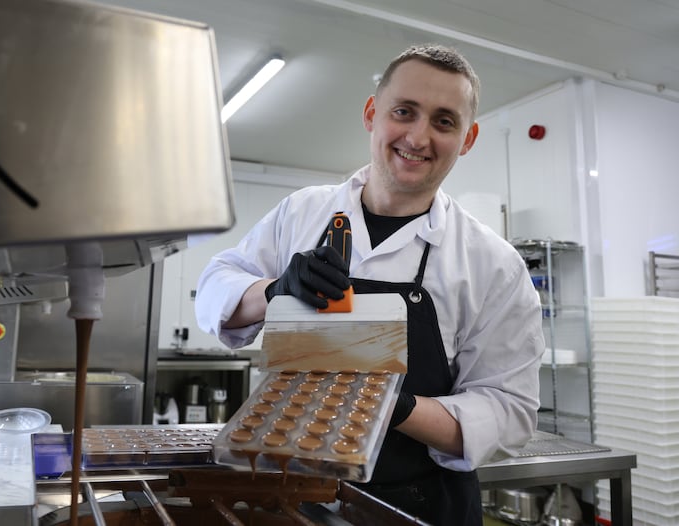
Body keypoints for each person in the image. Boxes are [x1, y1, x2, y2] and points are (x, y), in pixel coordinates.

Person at [195, 43, 545, 525]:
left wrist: (390, 406)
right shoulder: (302, 212)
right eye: (404, 112)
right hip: (290, 495)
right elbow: (215, 285)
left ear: (467, 138)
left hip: (421, 505)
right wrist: (272, 291)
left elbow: (508, 412)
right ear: (371, 114)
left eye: (444, 121)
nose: (418, 137)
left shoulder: (492, 263)